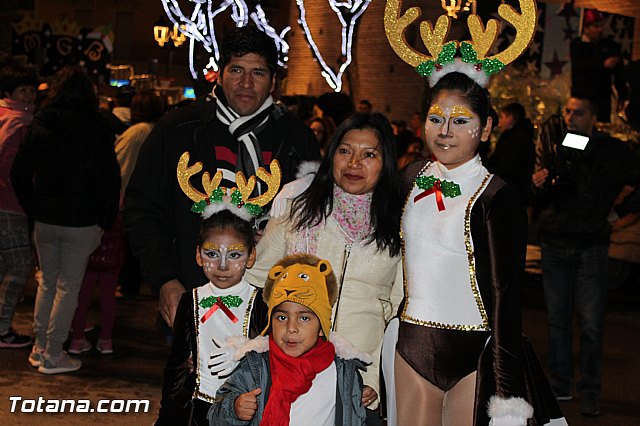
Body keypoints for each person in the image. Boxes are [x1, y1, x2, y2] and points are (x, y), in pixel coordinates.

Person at [383, 56, 565, 425]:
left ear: (485, 129)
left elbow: (504, 295)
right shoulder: (409, 178)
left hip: (477, 355)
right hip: (413, 345)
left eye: (460, 121)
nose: (445, 131)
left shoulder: (497, 196)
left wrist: (506, 387)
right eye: (436, 119)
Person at [124, 25, 320, 329]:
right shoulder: (179, 130)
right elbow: (142, 209)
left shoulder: (296, 139)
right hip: (191, 294)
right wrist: (164, 279)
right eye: (236, 70)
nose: (245, 83)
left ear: (273, 82)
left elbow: (312, 223)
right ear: (219, 73)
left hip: (269, 306)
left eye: (258, 73)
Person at [245, 112, 403, 424]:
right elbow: (253, 278)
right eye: (345, 151)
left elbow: (398, 313)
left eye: (369, 154)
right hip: (291, 369)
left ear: (386, 162)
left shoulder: (399, 226)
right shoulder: (299, 211)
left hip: (358, 378)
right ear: (331, 156)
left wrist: (374, 377)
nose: (354, 163)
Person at [531, 92, 640, 416]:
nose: (570, 117)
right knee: (557, 321)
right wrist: (539, 184)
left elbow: (633, 181)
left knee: (591, 324)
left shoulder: (611, 149)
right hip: (556, 242)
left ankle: (590, 390)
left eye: (577, 113)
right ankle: (560, 385)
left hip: (591, 244)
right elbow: (541, 192)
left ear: (592, 117)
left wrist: (617, 213)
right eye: (567, 111)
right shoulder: (555, 144)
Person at [11, 66, 121, 374]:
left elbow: (19, 173)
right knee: (67, 287)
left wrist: (34, 208)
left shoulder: (41, 123)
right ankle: (53, 352)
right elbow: (110, 179)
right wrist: (106, 218)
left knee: (47, 283)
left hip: (46, 218)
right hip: (82, 220)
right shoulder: (97, 126)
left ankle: (39, 348)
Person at [208, 253, 369, 425]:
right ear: (271, 322)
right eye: (282, 318)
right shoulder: (256, 366)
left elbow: (355, 419)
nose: (291, 328)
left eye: (304, 318)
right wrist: (234, 408)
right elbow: (214, 415)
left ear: (322, 327)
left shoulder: (343, 370)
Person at [156, 209, 268, 425]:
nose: (223, 265)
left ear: (251, 256)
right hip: (196, 409)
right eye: (212, 254)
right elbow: (176, 365)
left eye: (234, 255)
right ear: (198, 255)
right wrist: (167, 416)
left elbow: (275, 350)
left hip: (242, 409)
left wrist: (244, 350)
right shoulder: (190, 300)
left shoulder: (262, 301)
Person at [0, 62, 38, 348]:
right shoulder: (19, 125)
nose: (29, 96)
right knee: (20, 265)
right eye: (23, 90)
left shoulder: (4, 117)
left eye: (31, 90)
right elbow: (15, 170)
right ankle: (2, 328)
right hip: (10, 204)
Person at [114, 90, 165, 300]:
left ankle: (128, 286)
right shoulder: (157, 131)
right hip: (147, 197)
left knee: (129, 248)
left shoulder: (138, 132)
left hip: (128, 196)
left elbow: (119, 165)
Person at [570, 9, 626, 123]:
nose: (599, 30)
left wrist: (622, 95)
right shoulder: (577, 45)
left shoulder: (610, 45)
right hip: (582, 97)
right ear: (586, 28)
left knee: (601, 129)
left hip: (602, 99)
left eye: (601, 26)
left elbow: (618, 73)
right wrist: (602, 64)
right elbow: (580, 65)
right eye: (595, 26)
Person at [486, 102, 535, 201]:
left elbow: (506, 168)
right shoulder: (522, 136)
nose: (501, 122)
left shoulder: (513, 140)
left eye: (503, 117)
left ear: (510, 118)